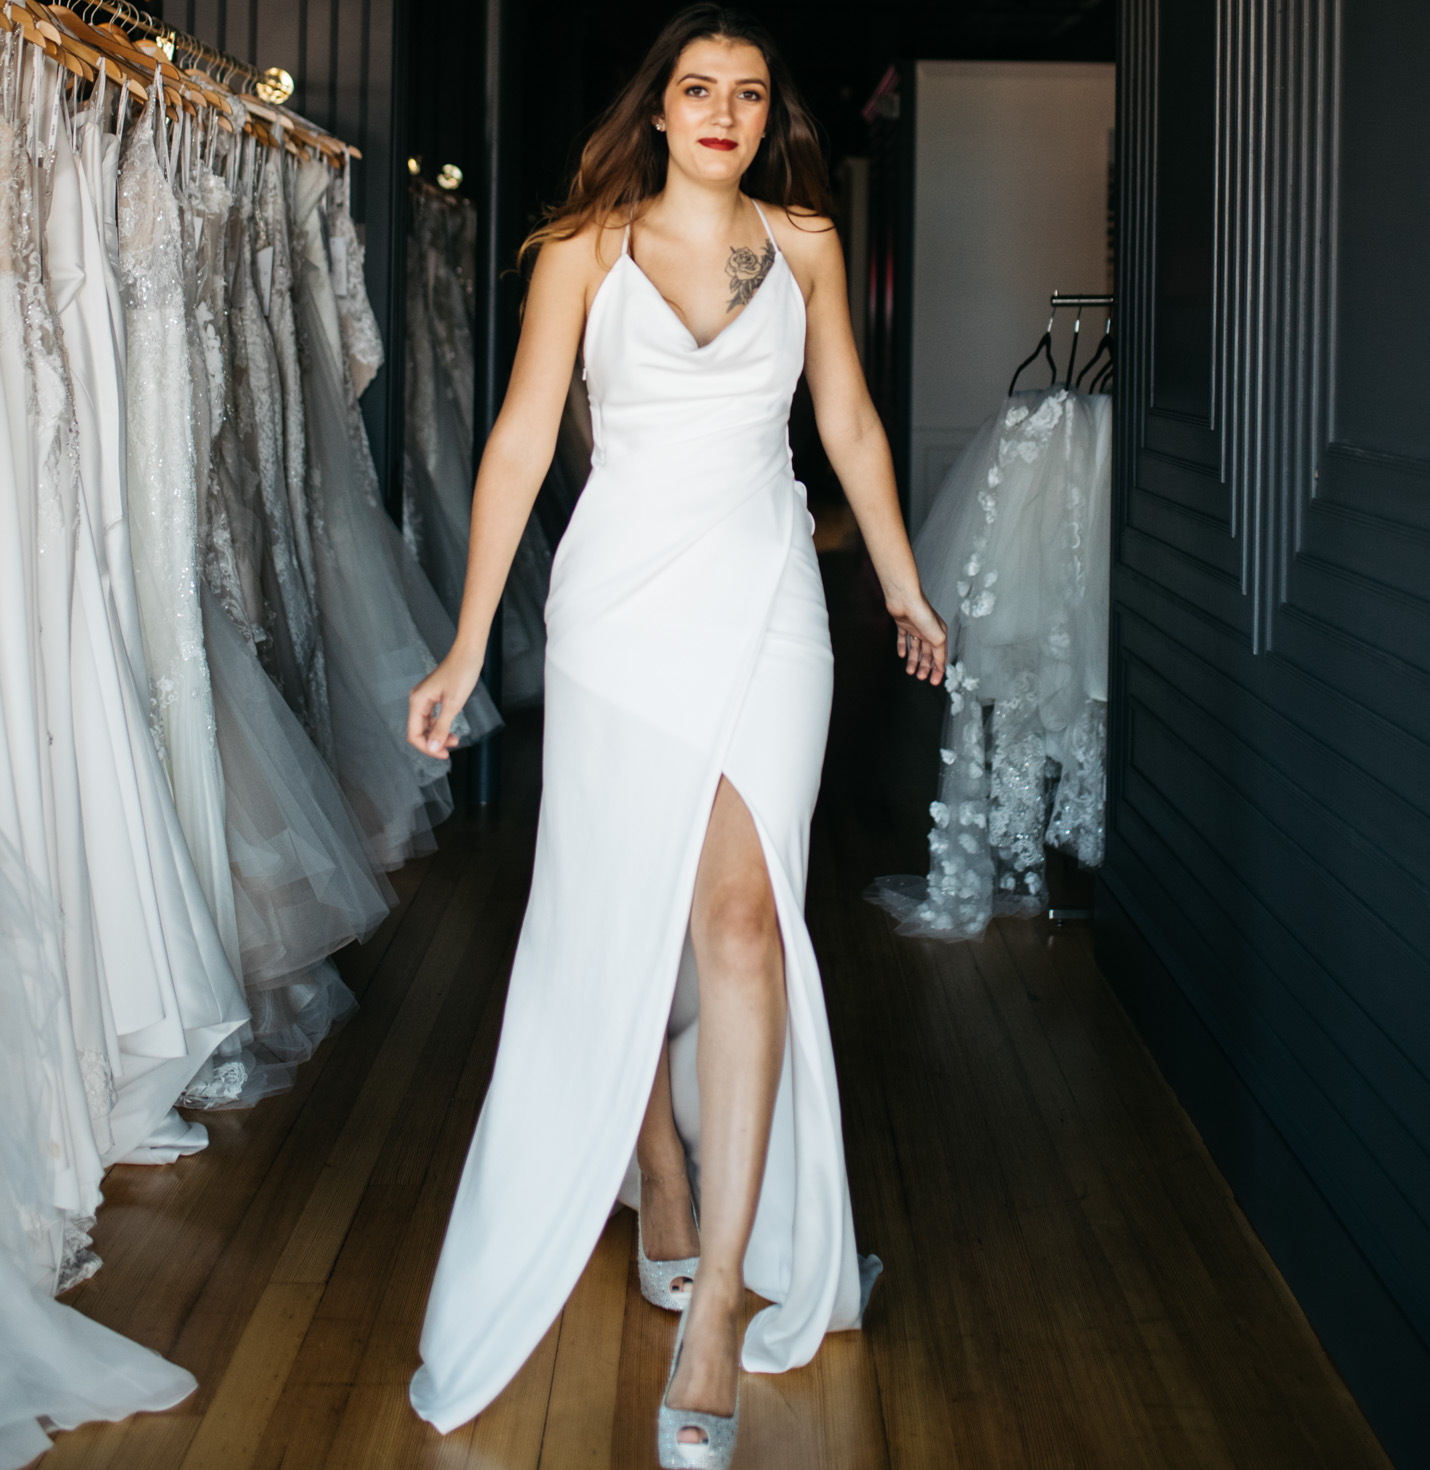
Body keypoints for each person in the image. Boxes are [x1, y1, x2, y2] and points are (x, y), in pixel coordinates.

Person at [405, 6, 947, 1465]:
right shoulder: (582, 249)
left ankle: (716, 1307)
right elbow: (520, 440)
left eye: (748, 93)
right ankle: (656, 1159)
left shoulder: (811, 247)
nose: (721, 112)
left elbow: (846, 425)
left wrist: (899, 585)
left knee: (742, 916)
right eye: (697, 89)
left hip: (768, 596)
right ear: (658, 111)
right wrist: (464, 645)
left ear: (771, 118)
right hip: (617, 613)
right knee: (621, 904)